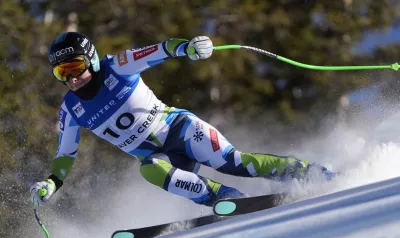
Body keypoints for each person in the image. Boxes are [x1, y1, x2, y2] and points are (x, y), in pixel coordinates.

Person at [29, 32, 334, 207]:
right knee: (150, 170)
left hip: (181, 130)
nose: (71, 78)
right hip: (158, 155)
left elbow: (160, 50)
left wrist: (188, 47)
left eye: (74, 66)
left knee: (236, 163)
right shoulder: (71, 109)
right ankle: (224, 199)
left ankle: (308, 172)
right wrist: (52, 183)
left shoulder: (117, 67)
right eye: (61, 73)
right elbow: (65, 155)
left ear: (92, 59)